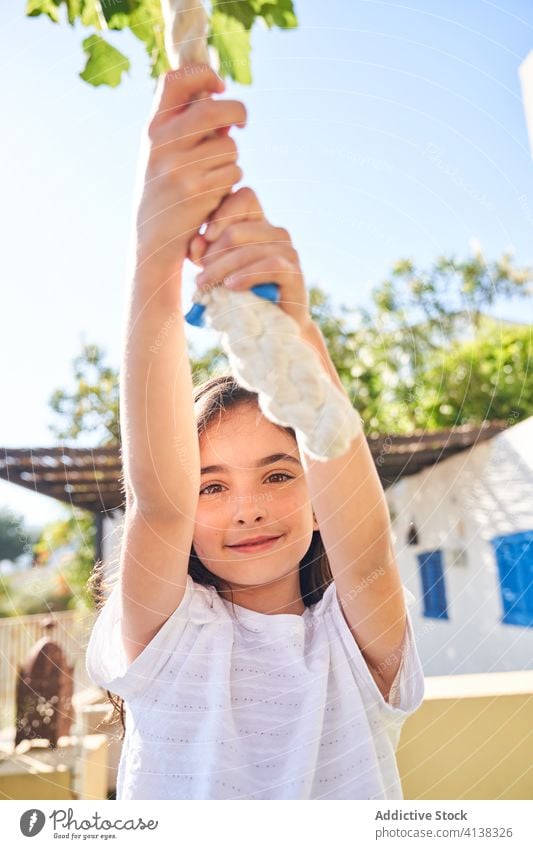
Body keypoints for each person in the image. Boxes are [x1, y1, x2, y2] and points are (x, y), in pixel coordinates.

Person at [85, 65, 425, 801]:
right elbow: (158, 502)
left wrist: (294, 330)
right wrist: (154, 252)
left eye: (277, 472)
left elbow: (341, 477)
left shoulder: (356, 636)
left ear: (312, 494)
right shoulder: (164, 636)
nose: (248, 506)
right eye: (211, 483)